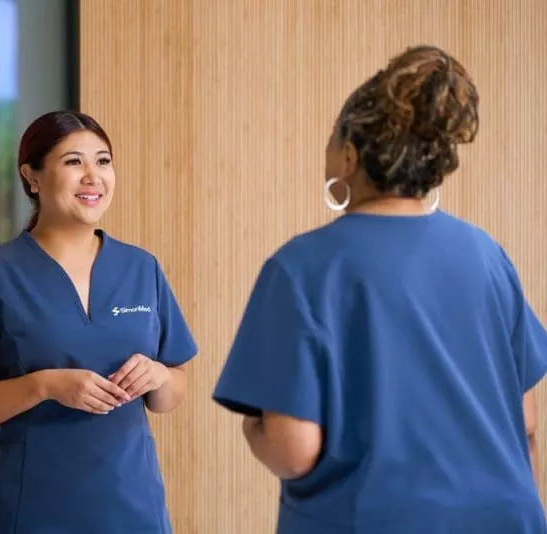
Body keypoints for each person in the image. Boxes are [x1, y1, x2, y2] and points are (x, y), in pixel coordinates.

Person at [213, 45, 547, 533]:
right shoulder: (487, 255)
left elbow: (294, 451)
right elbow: (526, 423)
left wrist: (254, 428)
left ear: (348, 156)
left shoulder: (302, 268)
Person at [0, 110, 197, 534]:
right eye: (74, 162)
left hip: (131, 505)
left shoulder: (141, 267)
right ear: (32, 176)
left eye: (103, 161)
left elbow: (172, 394)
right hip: (28, 508)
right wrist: (44, 385)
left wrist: (157, 376)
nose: (93, 176)